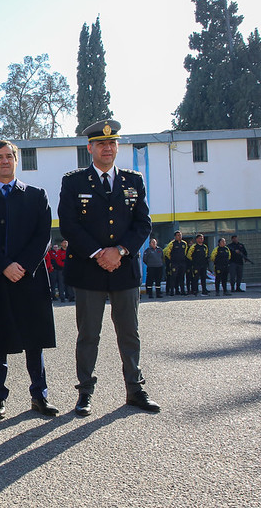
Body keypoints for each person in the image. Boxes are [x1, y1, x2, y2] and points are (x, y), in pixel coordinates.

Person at [58, 119, 160, 416]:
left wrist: (120, 251)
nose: (107, 148)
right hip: (89, 270)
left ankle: (135, 389)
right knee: (88, 334)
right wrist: (99, 253)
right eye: (101, 143)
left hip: (124, 268)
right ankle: (85, 392)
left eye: (112, 143)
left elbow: (143, 223)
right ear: (90, 148)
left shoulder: (133, 180)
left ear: (117, 147)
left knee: (129, 333)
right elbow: (69, 225)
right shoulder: (74, 181)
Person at [0, 140, 59, 419]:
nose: (5, 161)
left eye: (10, 156)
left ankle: (39, 395)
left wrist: (23, 265)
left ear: (16, 161)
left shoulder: (37, 195)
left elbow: (43, 236)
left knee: (35, 340)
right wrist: (4, 266)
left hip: (30, 278)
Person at [163, 231, 188, 295]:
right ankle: (172, 291)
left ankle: (182, 291)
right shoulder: (172, 243)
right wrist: (172, 259)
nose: (180, 236)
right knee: (173, 277)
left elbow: (185, 252)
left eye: (180, 235)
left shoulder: (184, 243)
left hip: (182, 263)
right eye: (178, 235)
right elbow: (167, 253)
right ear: (175, 236)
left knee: (181, 277)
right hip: (174, 263)